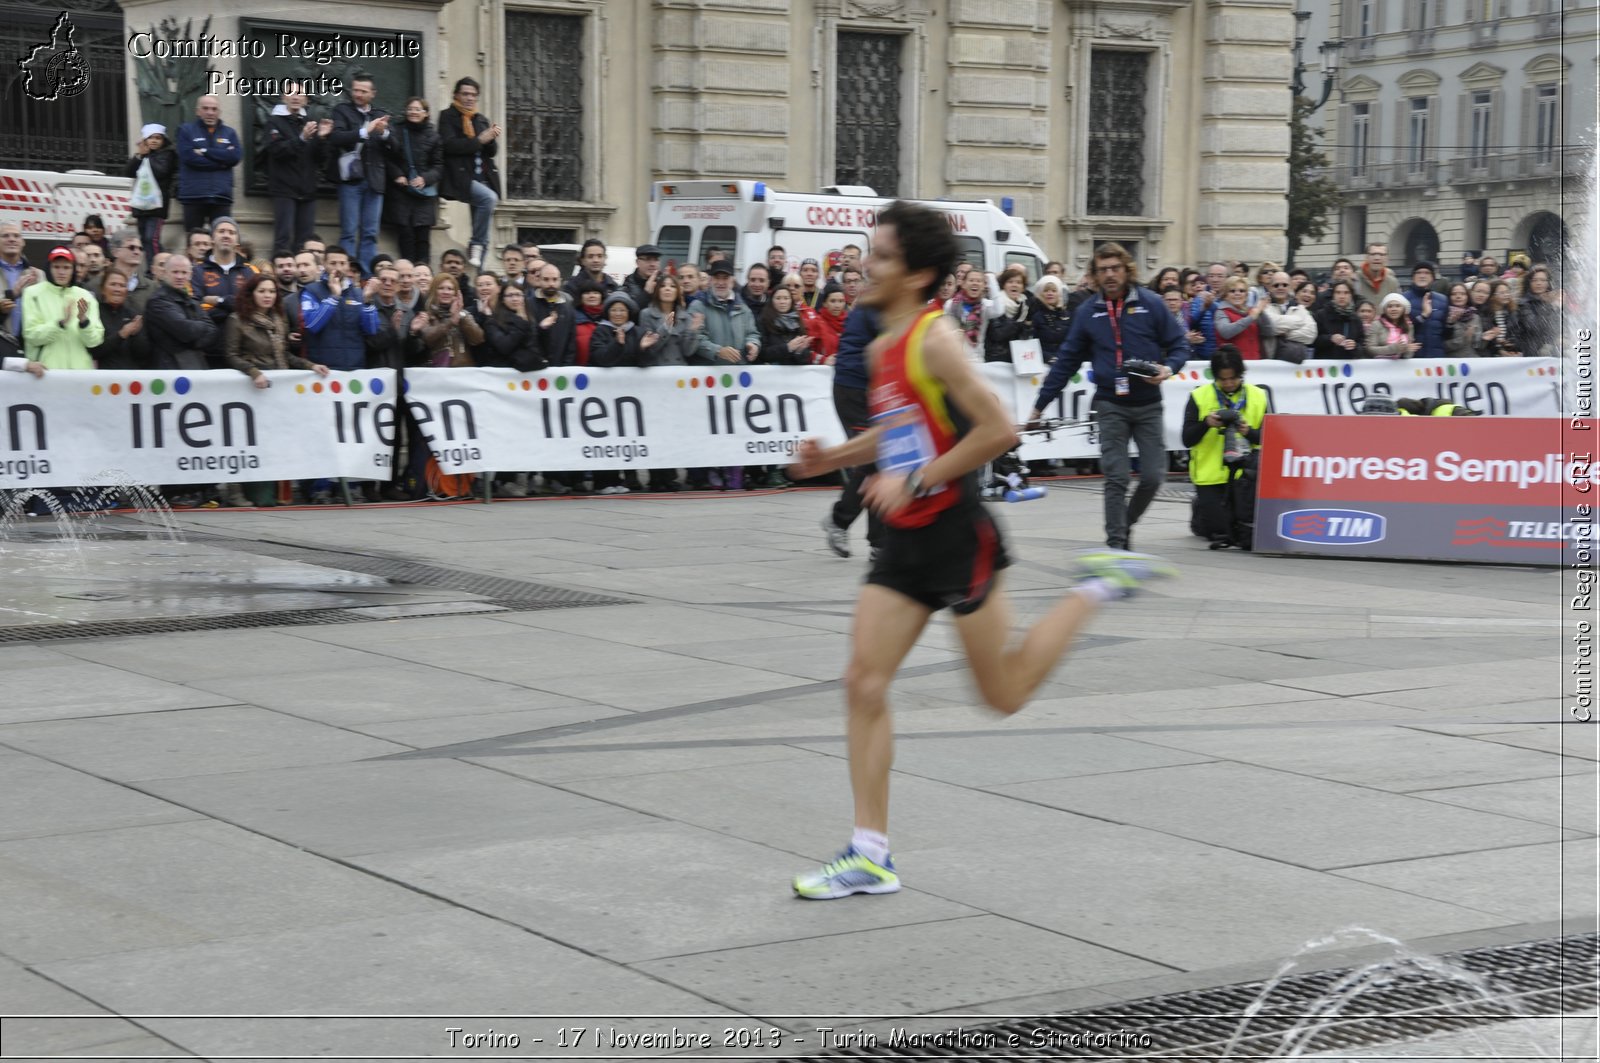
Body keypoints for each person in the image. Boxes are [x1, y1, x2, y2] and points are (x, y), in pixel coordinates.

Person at [786, 201, 1176, 900]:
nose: (862, 265)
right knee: (862, 682)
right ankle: (869, 851)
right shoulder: (881, 346)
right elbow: (898, 429)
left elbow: (998, 430)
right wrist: (831, 460)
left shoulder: (936, 340)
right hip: (904, 538)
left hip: (957, 534)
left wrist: (920, 477)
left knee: (1004, 693)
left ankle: (1096, 587)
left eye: (878, 256)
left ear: (918, 274)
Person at [1028, 242, 1190, 551]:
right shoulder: (1089, 311)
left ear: (1127, 270)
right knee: (1116, 477)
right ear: (1094, 275)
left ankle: (1124, 523)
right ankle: (1117, 546)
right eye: (1103, 270)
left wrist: (1168, 368)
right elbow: (1066, 362)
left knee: (1153, 477)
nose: (1110, 275)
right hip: (1109, 404)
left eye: (1115, 268)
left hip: (1147, 403)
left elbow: (1180, 345)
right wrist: (1039, 407)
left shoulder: (1151, 303)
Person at [1181, 345, 1264, 550]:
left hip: (1243, 477)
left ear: (1241, 375)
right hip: (1210, 475)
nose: (1227, 383)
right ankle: (1200, 511)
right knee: (1220, 533)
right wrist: (1206, 424)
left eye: (1232, 378)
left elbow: (1269, 438)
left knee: (1244, 534)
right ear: (1215, 376)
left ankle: (1207, 510)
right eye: (1222, 379)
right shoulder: (1199, 396)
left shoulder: (1258, 396)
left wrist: (1249, 432)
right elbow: (1187, 439)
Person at [327, 74, 391, 276]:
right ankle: (344, 276)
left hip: (375, 181)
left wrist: (384, 133)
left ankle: (366, 277)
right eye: (355, 90)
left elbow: (396, 147)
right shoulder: (342, 111)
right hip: (350, 181)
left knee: (370, 234)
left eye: (363, 91)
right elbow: (336, 137)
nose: (358, 94)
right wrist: (365, 131)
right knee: (348, 232)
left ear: (373, 93)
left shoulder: (381, 114)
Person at [438, 77, 502, 269]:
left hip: (483, 176)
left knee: (484, 230)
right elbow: (449, 146)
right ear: (456, 95)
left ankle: (478, 273)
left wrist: (491, 139)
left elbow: (491, 152)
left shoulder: (480, 119)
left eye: (473, 95)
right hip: (461, 176)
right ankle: (474, 245)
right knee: (489, 199)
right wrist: (479, 140)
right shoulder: (447, 117)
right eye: (465, 94)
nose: (469, 98)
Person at [265, 83, 325, 258]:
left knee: (305, 242)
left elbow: (320, 159)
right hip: (284, 189)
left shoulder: (310, 123)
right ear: (284, 97)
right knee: (283, 237)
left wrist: (321, 139)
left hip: (307, 191)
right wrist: (301, 139)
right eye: (291, 93)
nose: (295, 97)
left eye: (300, 94)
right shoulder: (274, 121)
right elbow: (276, 151)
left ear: (306, 100)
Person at [298, 247, 381, 371]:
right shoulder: (311, 291)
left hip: (354, 368)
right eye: (333, 263)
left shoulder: (358, 293)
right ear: (324, 264)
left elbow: (372, 330)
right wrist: (334, 297)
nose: (338, 268)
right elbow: (312, 325)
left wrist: (368, 300)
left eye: (342, 263)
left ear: (347, 265)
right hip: (323, 370)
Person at [21, 247, 103, 369]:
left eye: (66, 267)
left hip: (80, 374)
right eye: (56, 267)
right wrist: (60, 324)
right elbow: (31, 335)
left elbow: (95, 340)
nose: (61, 272)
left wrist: (84, 322)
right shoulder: (32, 293)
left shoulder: (86, 296)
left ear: (73, 270)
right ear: (49, 268)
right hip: (46, 372)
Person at [174, 96, 242, 232]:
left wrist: (204, 151)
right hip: (193, 195)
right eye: (205, 108)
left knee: (220, 239)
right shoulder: (186, 130)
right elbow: (189, 158)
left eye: (214, 109)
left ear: (219, 112)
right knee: (194, 240)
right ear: (197, 111)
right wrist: (222, 162)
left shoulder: (230, 133)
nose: (210, 112)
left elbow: (235, 157)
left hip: (221, 196)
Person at [141, 254, 217, 371]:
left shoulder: (191, 300)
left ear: (190, 275)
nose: (180, 276)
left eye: (184, 272)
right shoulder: (157, 301)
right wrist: (202, 327)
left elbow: (213, 331)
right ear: (165, 273)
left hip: (194, 364)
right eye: (175, 272)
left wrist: (192, 343)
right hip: (168, 369)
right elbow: (186, 331)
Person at [125, 124, 177, 262]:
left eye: (158, 138)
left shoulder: (167, 154)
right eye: (150, 138)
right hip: (141, 205)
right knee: (144, 239)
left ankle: (156, 267)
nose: (154, 141)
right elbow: (129, 172)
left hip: (157, 206)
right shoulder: (142, 155)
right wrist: (139, 156)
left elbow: (161, 171)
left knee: (151, 238)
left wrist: (147, 156)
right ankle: (156, 264)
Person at [90, 268, 149, 371]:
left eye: (122, 285)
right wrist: (121, 335)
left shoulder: (133, 314)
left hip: (128, 380)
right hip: (101, 380)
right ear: (103, 289)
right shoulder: (94, 313)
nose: (117, 289)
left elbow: (143, 354)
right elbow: (94, 351)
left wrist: (137, 335)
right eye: (113, 284)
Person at [757, 285, 811, 365]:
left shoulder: (797, 320)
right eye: (778, 298)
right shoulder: (764, 320)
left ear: (791, 301)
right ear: (771, 301)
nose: (782, 302)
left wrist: (799, 352)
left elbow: (805, 359)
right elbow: (762, 353)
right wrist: (787, 348)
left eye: (786, 298)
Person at [1402, 263, 1447, 358]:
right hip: (1412, 358)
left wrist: (1451, 323)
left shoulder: (1443, 300)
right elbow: (1399, 328)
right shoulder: (1403, 299)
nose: (1422, 276)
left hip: (1436, 358)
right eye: (1418, 273)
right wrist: (1423, 316)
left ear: (1433, 278)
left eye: (1427, 273)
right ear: (1413, 277)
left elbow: (1445, 333)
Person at [1515, 266, 1561, 358]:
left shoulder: (1554, 300)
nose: (1539, 283)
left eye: (1543, 280)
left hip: (1553, 350)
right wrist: (1550, 306)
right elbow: (1534, 326)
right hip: (1533, 351)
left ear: (1548, 283)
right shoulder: (1523, 303)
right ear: (1529, 283)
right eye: (1534, 280)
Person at [1214, 278, 1265, 360]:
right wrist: (1251, 318)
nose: (1237, 294)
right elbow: (1226, 332)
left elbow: (1269, 331)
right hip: (1233, 364)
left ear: (1246, 296)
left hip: (1255, 363)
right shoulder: (1221, 312)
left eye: (1241, 291)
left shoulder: (1251, 311)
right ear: (1225, 295)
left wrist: (1261, 311)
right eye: (1232, 291)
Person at [1312, 279, 1362, 359]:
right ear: (1333, 295)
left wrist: (1354, 346)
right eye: (1338, 292)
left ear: (1351, 296)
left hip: (1348, 367)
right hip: (1325, 364)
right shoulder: (1321, 315)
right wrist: (1330, 338)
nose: (1342, 296)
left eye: (1346, 293)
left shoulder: (1356, 319)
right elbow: (1312, 340)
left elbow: (1361, 345)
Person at [1367, 292, 1420, 359]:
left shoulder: (1409, 326)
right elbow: (1370, 350)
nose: (1394, 309)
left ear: (1403, 309)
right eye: (1390, 306)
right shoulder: (1376, 325)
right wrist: (1394, 348)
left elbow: (1408, 355)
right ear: (1385, 310)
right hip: (1379, 366)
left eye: (1398, 306)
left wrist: (1407, 350)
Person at [1352, 242, 1400, 306]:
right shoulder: (1355, 280)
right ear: (1366, 257)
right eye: (1373, 254)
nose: (1377, 258)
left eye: (1381, 255)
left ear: (1387, 258)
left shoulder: (1393, 283)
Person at [1442, 282, 1481, 358]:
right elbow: (1441, 345)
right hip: (1452, 362)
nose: (1458, 296)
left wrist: (1485, 339)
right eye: (1454, 294)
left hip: (1472, 360)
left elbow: (1478, 346)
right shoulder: (1444, 315)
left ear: (1467, 297)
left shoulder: (1475, 317)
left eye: (1462, 294)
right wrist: (1464, 338)